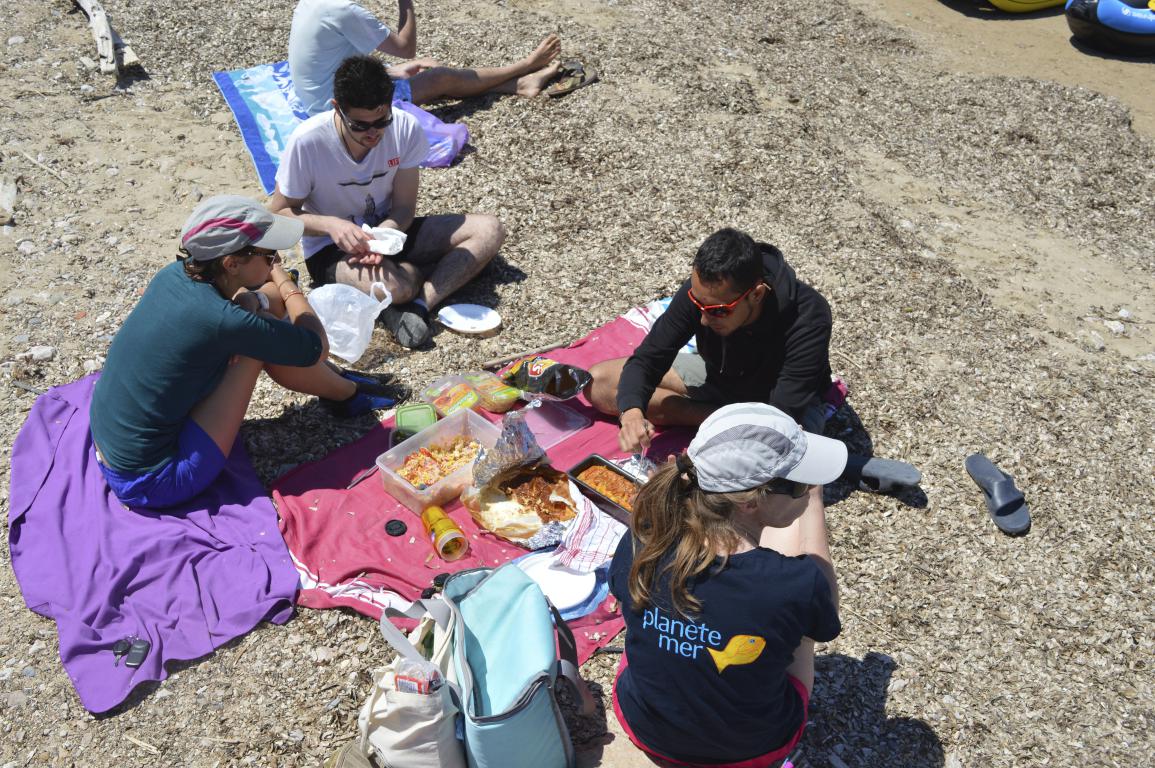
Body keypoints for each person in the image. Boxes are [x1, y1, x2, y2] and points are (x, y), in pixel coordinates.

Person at [89, 196, 396, 509]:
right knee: (257, 343)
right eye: (268, 255)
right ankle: (346, 395)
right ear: (231, 263)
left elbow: (233, 310)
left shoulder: (175, 274)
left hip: (110, 442)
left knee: (262, 310)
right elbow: (318, 347)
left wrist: (254, 302)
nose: (275, 258)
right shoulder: (223, 320)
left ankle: (338, 383)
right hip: (155, 478)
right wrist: (285, 280)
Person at [609, 402, 847, 767]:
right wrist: (813, 503)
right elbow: (827, 616)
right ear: (750, 503)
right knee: (803, 633)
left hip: (647, 726)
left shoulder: (642, 541)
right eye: (800, 484)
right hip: (750, 750)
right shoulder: (795, 582)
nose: (807, 488)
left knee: (647, 618)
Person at [270, 55, 506, 349]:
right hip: (332, 250)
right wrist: (331, 225)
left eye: (381, 121)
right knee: (397, 286)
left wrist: (383, 236)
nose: (372, 133)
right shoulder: (308, 141)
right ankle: (424, 279)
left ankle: (420, 305)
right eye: (359, 125)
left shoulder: (405, 128)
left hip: (388, 234)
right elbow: (277, 214)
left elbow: (404, 207)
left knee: (490, 229)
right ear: (337, 109)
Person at [587, 227, 834, 453]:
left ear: (756, 295)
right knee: (599, 383)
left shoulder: (808, 317)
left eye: (718, 311)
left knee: (761, 464)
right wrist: (631, 414)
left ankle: (722, 423)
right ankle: (716, 417)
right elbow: (649, 359)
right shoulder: (706, 293)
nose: (704, 319)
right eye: (697, 305)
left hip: (780, 408)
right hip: (720, 379)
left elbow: (780, 419)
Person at [288, 0, 563, 116]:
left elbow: (342, 56)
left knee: (421, 72)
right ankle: (526, 66)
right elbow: (406, 47)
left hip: (321, 91)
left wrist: (391, 70)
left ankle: (517, 85)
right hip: (340, 106)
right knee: (440, 77)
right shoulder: (343, 10)